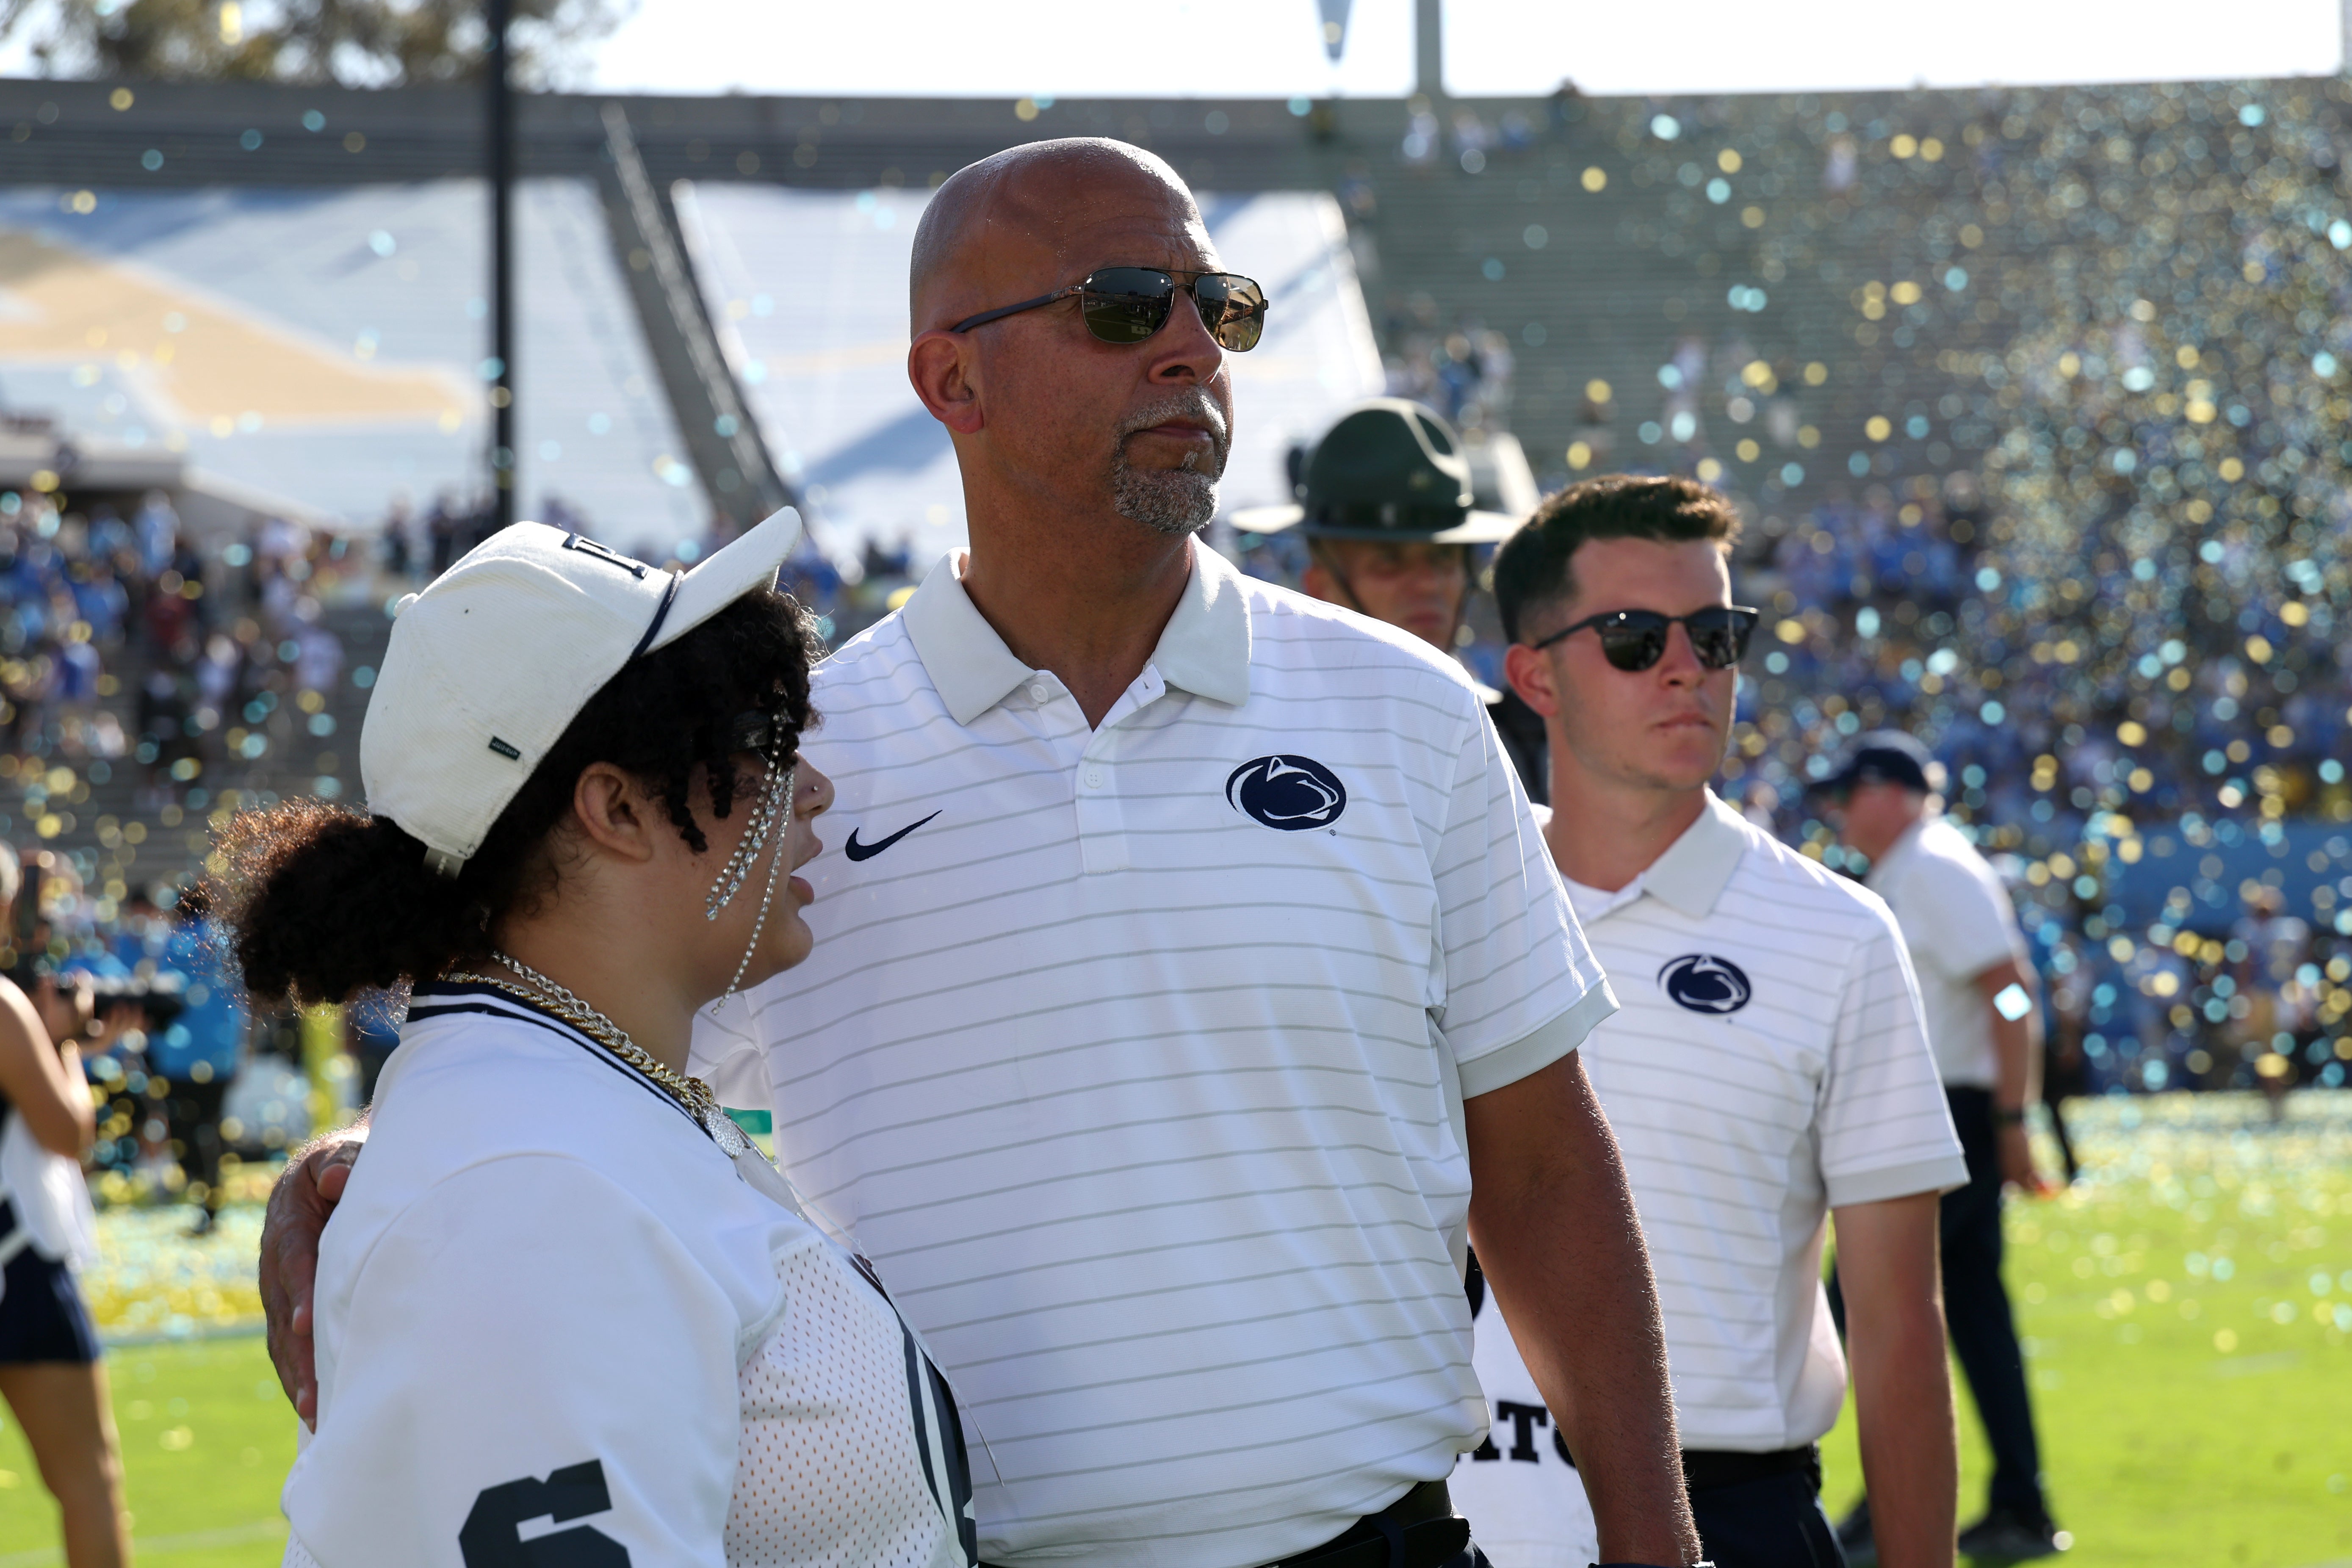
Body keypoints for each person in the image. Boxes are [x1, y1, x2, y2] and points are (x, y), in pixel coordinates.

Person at [263, 137, 1705, 1568]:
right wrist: (381, 1163)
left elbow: (1542, 1168)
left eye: (1223, 306)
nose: (1195, 349)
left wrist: (1654, 1538)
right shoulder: (787, 771)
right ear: (950, 379)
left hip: (1378, 1543)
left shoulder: (1411, 715)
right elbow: (589, 1054)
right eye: (1129, 305)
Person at [226, 510, 980, 1567]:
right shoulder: (529, 1181)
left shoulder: (565, 1113)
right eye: (768, 749)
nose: (814, 789)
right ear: (616, 809)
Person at [1446, 474, 1964, 1568]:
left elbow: (1898, 1320)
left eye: (1717, 634)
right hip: (1461, 1510)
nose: (1687, 667)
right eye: (1634, 637)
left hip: (1734, 1505)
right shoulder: (1439, 905)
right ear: (1531, 674)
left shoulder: (1842, 934)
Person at [1819, 733, 2067, 1562]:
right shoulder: (1923, 863)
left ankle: (1877, 1504)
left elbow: (2006, 990)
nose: (1837, 813)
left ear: (1889, 792)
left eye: (1847, 794)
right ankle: (2015, 1503)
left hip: (1947, 1115)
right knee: (1968, 1315)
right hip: (1956, 1112)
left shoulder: (1927, 865)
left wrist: (2008, 1120)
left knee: (1852, 1303)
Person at [1233, 398, 1547, 798]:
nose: (1428, 584)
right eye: (1389, 562)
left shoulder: (1518, 744)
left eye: (1442, 559)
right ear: (1320, 587)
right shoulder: (1266, 750)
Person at [0, 843, 132, 1568]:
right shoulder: (3, 1004)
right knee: (89, 1476)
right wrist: (69, 1049)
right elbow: (67, 1133)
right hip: (15, 1262)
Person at [148, 888, 248, 1234]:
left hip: (179, 1057)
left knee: (185, 1128)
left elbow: (162, 998)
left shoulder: (173, 943)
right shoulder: (226, 942)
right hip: (219, 1054)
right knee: (211, 1125)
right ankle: (212, 1200)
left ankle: (201, 1193)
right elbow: (241, 1000)